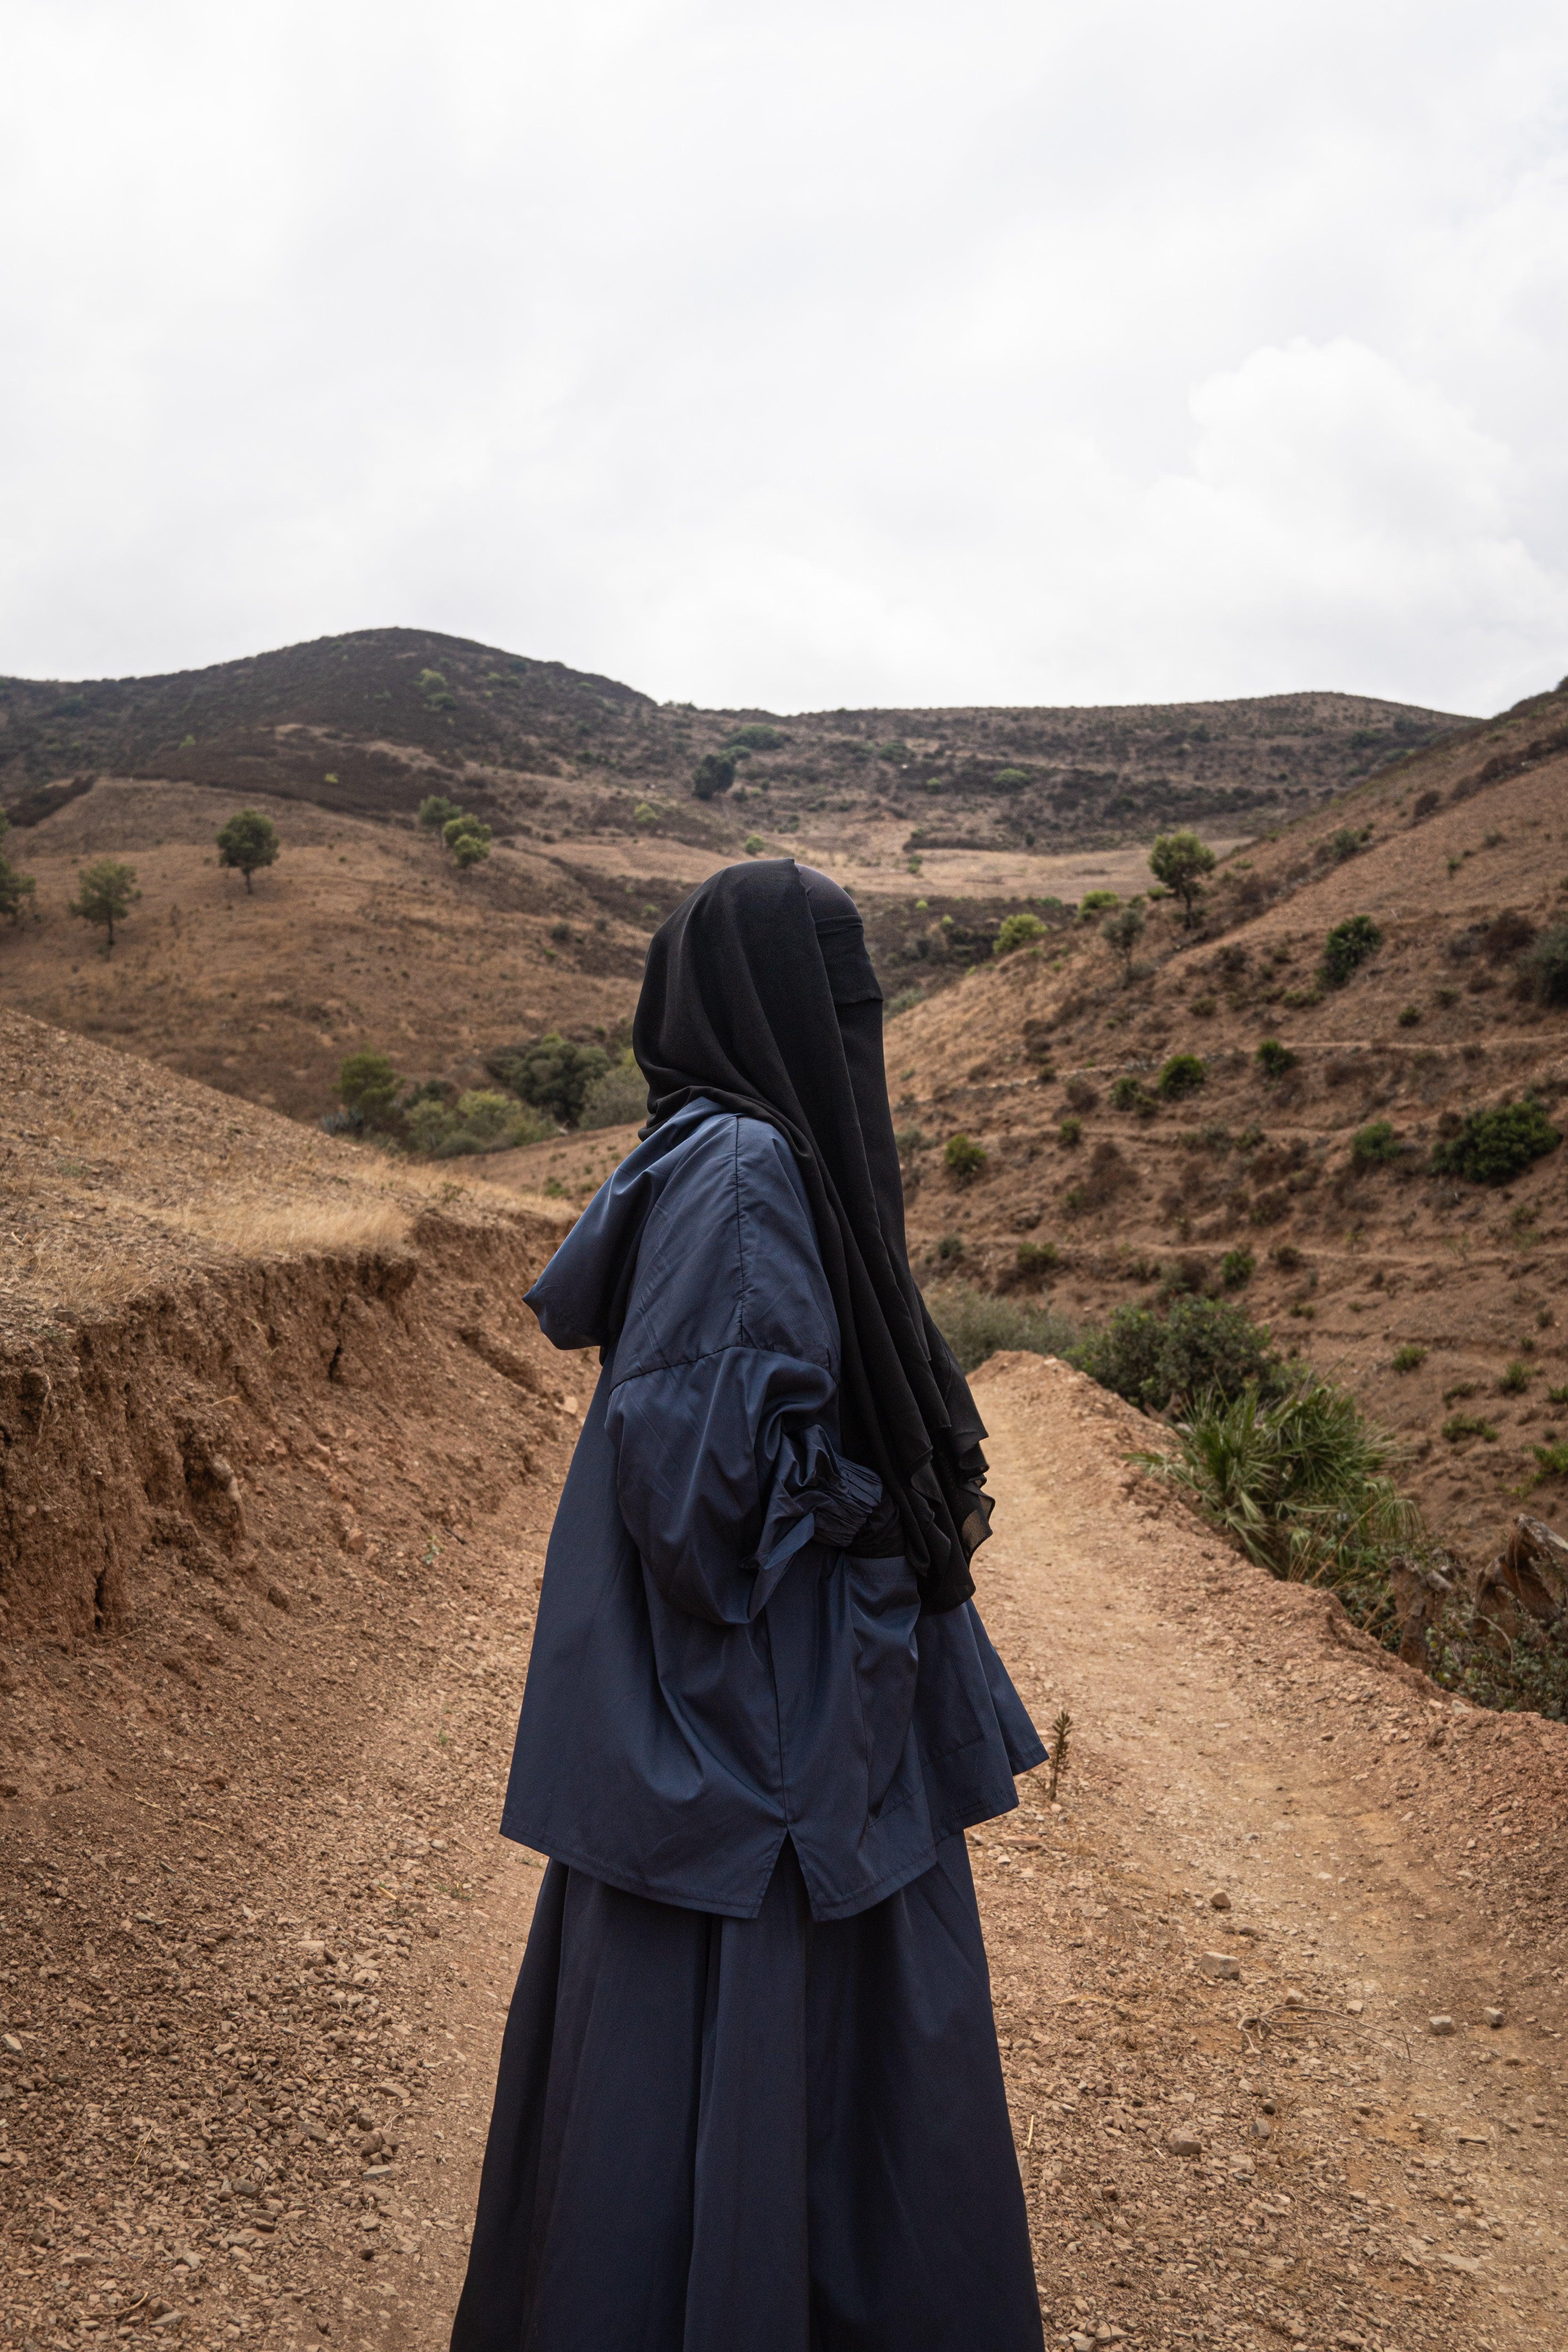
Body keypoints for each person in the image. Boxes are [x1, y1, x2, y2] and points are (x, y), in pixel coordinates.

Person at [450, 858, 1047, 2352]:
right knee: (763, 2058)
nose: (859, 1028)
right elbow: (706, 1498)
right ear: (770, 1009)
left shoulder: (752, 1157)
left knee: (799, 2073)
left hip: (792, 1722)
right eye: (837, 998)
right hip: (762, 1737)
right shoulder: (743, 1172)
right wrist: (873, 1507)